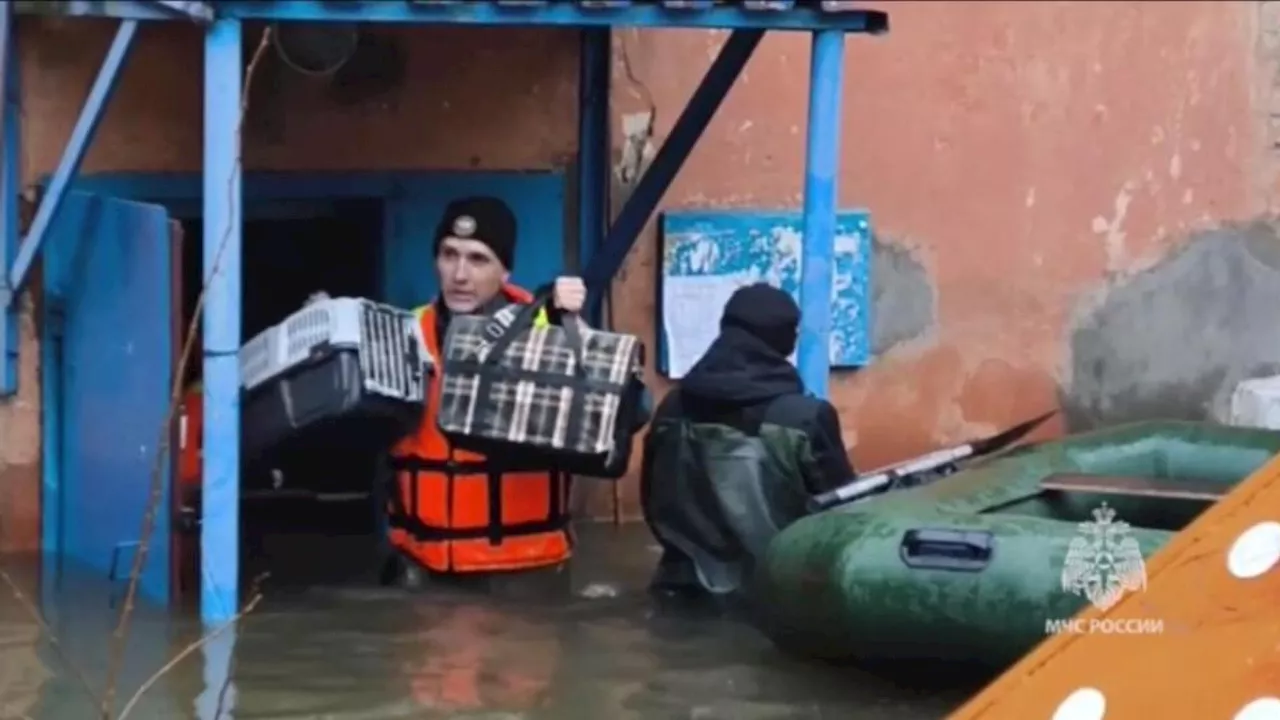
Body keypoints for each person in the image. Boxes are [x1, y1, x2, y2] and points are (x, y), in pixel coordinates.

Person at [384, 195, 587, 586]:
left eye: (478, 259)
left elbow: (627, 418)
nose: (460, 274)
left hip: (523, 575)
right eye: (449, 254)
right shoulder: (404, 333)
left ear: (506, 270)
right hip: (422, 569)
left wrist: (575, 329)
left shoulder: (549, 331)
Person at [640, 282, 856, 601]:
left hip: (679, 592)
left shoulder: (673, 407)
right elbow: (842, 517)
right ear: (783, 340)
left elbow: (651, 497)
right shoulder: (805, 418)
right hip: (777, 600)